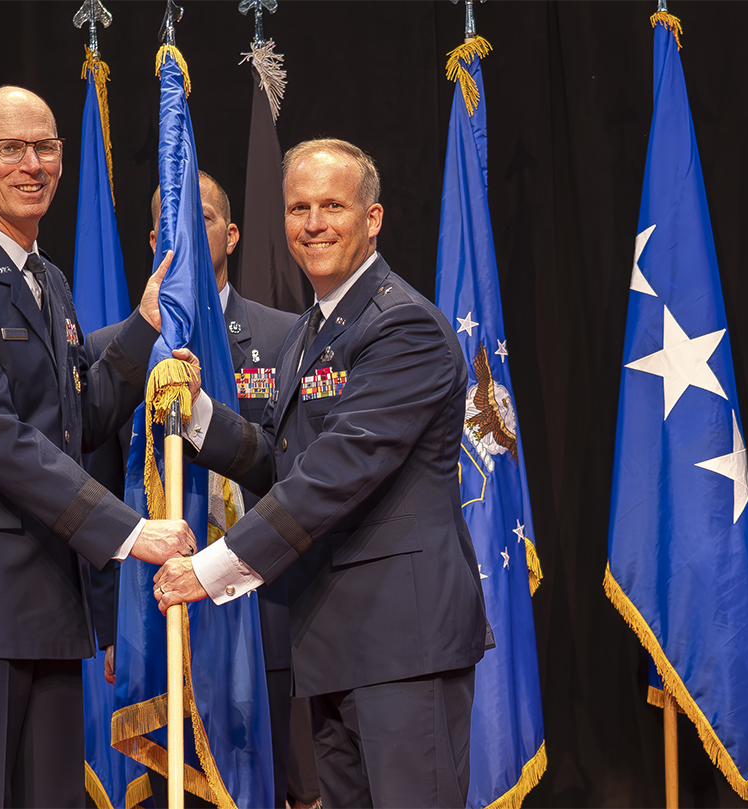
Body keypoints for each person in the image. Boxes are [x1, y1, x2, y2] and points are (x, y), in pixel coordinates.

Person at [0, 85, 197, 808]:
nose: (33, 164)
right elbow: (0, 438)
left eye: (46, 147)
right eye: (9, 148)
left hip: (49, 604)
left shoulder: (47, 279)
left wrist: (145, 325)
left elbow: (76, 418)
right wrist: (129, 531)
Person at [152, 138, 490, 807]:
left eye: (332, 205)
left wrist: (211, 569)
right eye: (298, 207)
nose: (312, 223)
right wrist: (197, 417)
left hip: (403, 645)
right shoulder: (311, 329)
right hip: (334, 641)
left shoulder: (403, 328)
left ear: (373, 218)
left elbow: (336, 472)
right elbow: (287, 461)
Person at [89, 170, 303, 807]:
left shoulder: (283, 337)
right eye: (170, 223)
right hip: (154, 614)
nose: (183, 231)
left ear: (232, 234)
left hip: (262, 608)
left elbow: (291, 470)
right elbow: (96, 485)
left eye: (202, 218)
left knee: (269, 777)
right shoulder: (113, 349)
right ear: (154, 237)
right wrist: (108, 623)